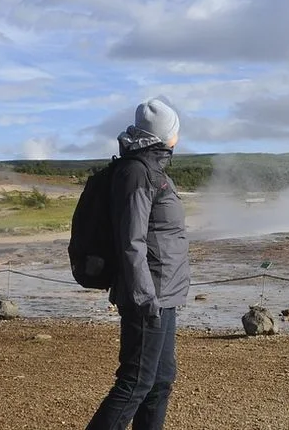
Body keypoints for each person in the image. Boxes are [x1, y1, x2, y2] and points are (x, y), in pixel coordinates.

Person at [88, 98, 189, 430]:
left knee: (159, 382)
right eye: (175, 129)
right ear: (163, 135)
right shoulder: (137, 172)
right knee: (135, 383)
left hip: (164, 293)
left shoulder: (151, 169)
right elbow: (131, 242)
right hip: (150, 296)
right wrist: (145, 299)